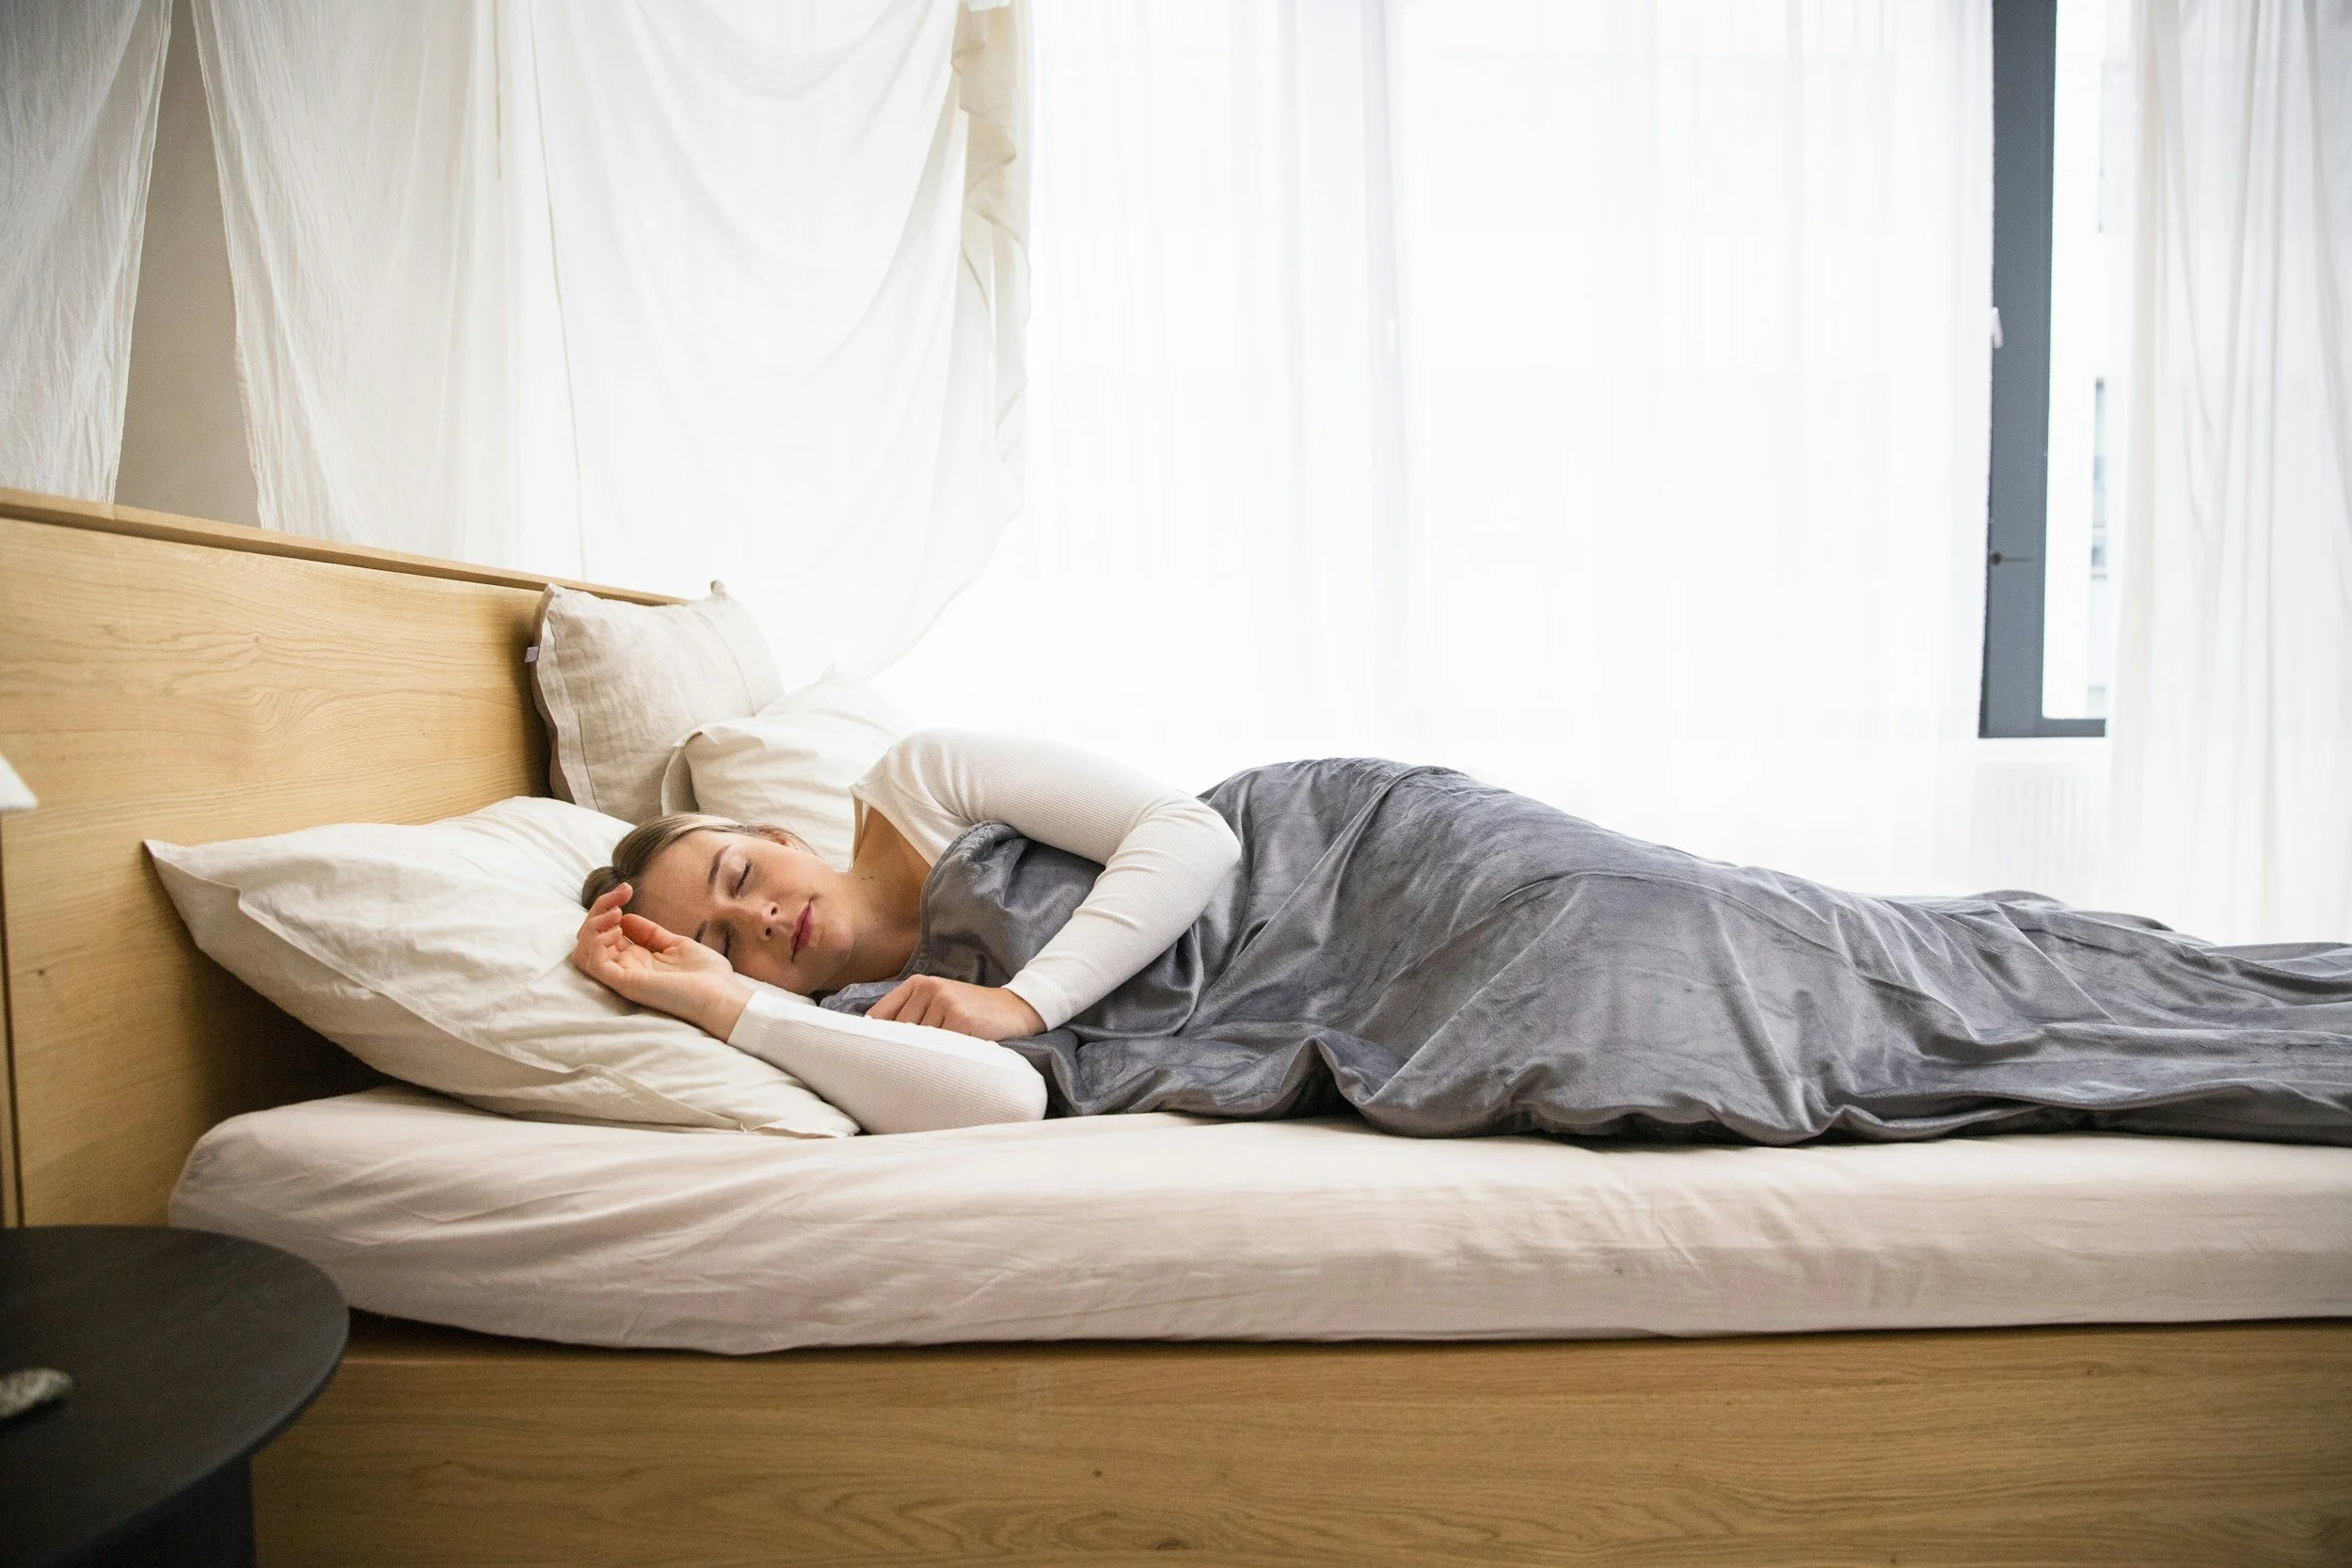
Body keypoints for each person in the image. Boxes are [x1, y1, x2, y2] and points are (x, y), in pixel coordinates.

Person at [575, 729, 2352, 1146]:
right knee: (1907, 1023)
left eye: (734, 871)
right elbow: (997, 1113)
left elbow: (1189, 837)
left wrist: (1027, 991)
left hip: (1374, 866)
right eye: (730, 931)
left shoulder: (918, 777)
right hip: (1361, 997)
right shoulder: (881, 1014)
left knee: (1871, 959)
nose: (757, 911)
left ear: (771, 825)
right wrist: (724, 1008)